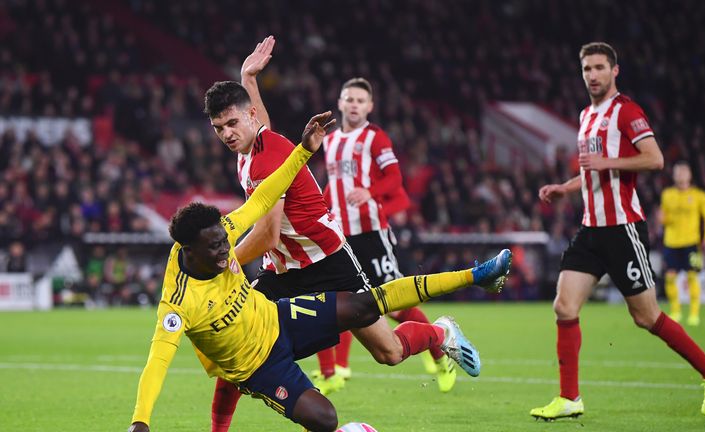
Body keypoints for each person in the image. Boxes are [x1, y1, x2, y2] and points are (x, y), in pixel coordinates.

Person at [126, 110, 513, 432]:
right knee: (325, 419)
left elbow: (262, 198)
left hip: (283, 312)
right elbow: (156, 363)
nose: (226, 251)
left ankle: (474, 278)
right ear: (190, 253)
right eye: (216, 249)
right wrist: (140, 422)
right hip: (261, 361)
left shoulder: (217, 230)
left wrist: (303, 152)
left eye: (224, 241)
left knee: (372, 319)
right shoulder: (176, 304)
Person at [202, 36, 499, 432]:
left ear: (250, 116)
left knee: (389, 352)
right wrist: (247, 78)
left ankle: (440, 332)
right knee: (238, 341)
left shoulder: (266, 159)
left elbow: (268, 236)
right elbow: (261, 131)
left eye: (232, 123)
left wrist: (222, 261)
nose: (226, 134)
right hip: (285, 273)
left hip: (329, 262)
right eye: (218, 127)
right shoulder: (255, 144)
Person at [531, 42, 705, 421]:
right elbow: (592, 171)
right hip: (591, 229)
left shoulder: (627, 111)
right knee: (564, 306)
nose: (592, 75)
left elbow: (655, 159)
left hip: (623, 229)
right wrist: (565, 188)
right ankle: (569, 397)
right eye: (587, 68)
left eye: (599, 67)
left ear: (614, 71)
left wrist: (608, 161)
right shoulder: (586, 115)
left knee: (646, 316)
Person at [321, 77, 456, 392]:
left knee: (395, 305)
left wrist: (369, 192)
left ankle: (439, 351)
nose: (353, 105)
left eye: (360, 100)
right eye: (348, 99)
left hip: (370, 233)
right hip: (341, 235)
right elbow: (333, 186)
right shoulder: (329, 141)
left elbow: (395, 179)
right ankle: (337, 370)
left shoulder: (375, 138)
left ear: (369, 106)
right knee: (343, 300)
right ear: (340, 103)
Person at [660, 161, 705, 326]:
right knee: (670, 278)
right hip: (671, 242)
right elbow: (665, 218)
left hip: (692, 243)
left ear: (690, 175)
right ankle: (676, 311)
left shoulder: (699, 195)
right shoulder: (667, 194)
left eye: (684, 172)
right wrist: (663, 219)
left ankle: (694, 313)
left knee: (692, 276)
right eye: (678, 172)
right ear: (674, 175)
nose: (681, 175)